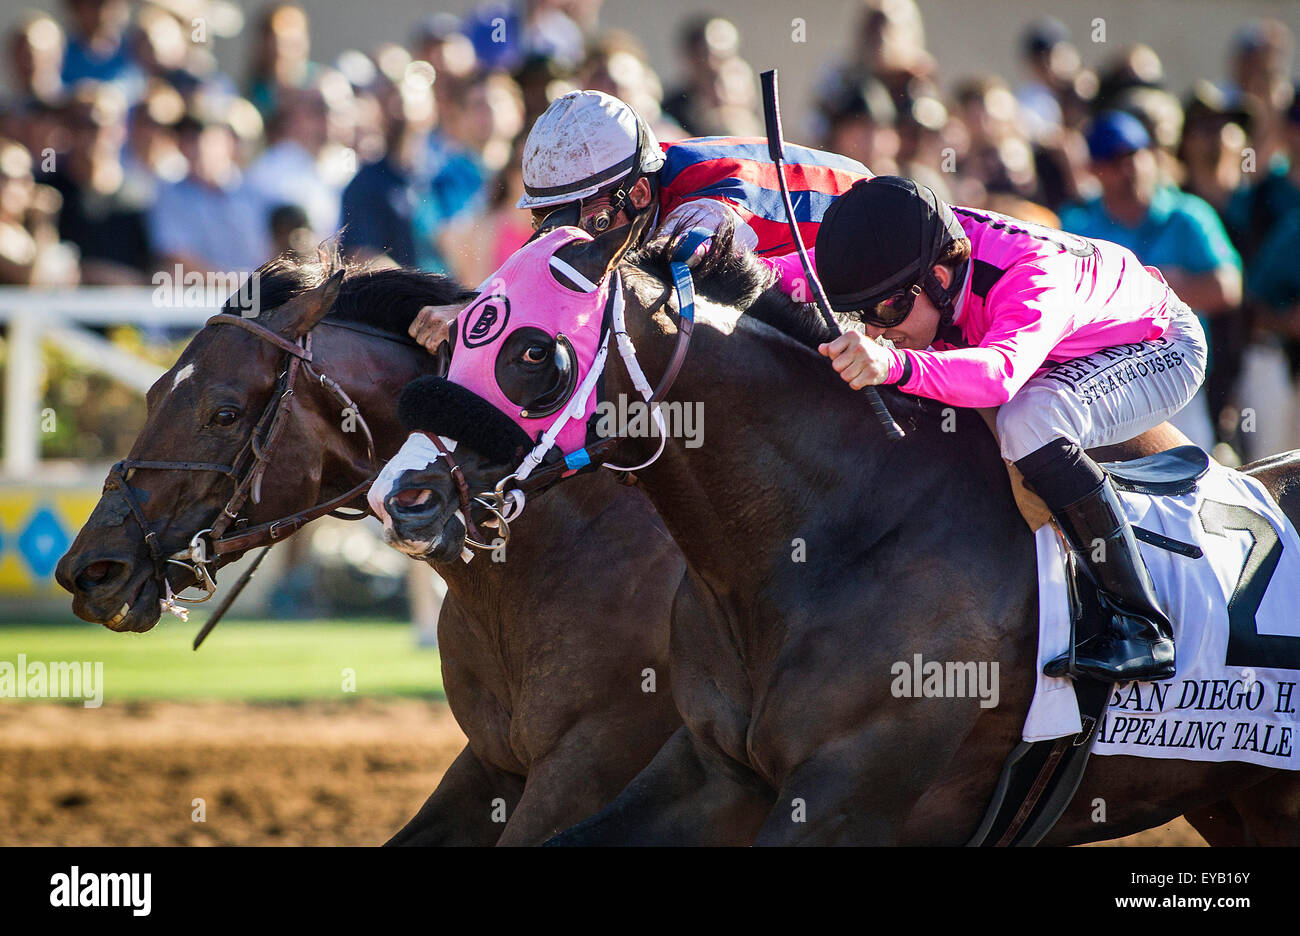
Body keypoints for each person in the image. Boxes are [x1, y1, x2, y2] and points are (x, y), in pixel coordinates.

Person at [812, 175, 1209, 683]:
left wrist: (893, 364)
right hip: (1065, 344)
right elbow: (801, 271)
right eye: (862, 313)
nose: (875, 328)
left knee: (1031, 420)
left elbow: (999, 377)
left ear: (936, 277)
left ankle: (1141, 625)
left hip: (1161, 345)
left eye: (888, 309)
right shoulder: (920, 254)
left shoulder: (1030, 275)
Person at [407, 88, 872, 350]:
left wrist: (482, 318)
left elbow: (634, 297)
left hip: (890, 283)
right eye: (548, 218)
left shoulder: (705, 209)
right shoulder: (635, 178)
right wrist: (482, 303)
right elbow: (554, 265)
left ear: (641, 193)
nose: (565, 235)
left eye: (585, 220)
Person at [1060, 110, 1240, 452]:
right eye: (1114, 160)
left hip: (1179, 379)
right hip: (1106, 388)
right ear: (1095, 169)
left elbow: (1227, 288)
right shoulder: (1077, 225)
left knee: (1195, 487)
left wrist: (1152, 291)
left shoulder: (1187, 214)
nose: (1129, 168)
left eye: (1135, 154)